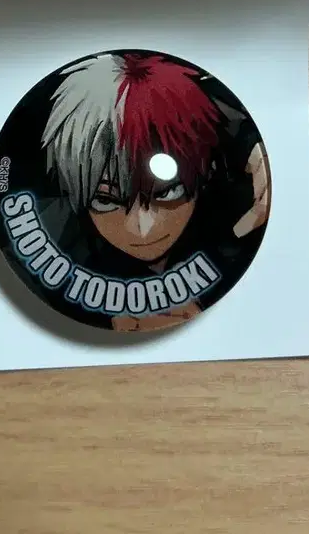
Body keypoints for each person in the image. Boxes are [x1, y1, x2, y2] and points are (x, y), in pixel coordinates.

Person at [37, 51, 269, 331]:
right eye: (105, 200)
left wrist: (245, 139)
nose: (142, 229)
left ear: (207, 171)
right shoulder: (60, 247)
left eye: (168, 193)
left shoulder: (236, 205)